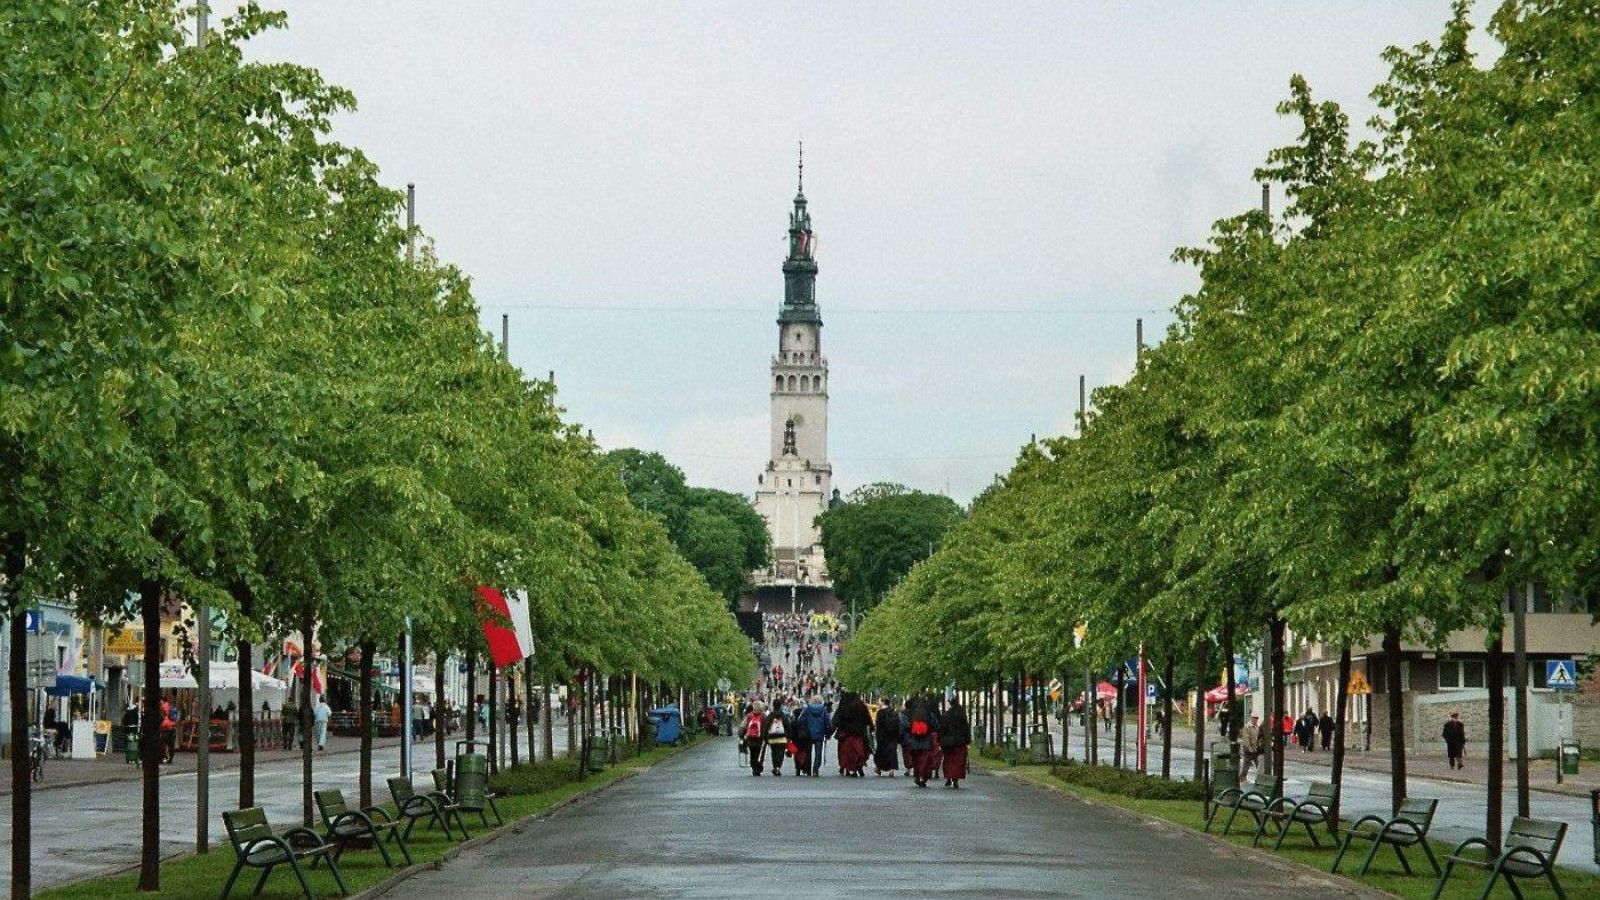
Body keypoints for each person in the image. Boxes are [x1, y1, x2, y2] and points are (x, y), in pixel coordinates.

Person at [904, 692, 940, 788]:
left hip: (914, 742)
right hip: (926, 741)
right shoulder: (928, 713)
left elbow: (907, 726)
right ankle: (923, 777)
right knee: (925, 760)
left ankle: (917, 776)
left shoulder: (913, 714)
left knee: (916, 760)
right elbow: (935, 725)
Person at [834, 693, 870, 777]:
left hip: (845, 733)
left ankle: (846, 767)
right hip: (860, 733)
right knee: (859, 750)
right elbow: (868, 719)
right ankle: (859, 767)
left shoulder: (843, 707)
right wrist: (870, 728)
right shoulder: (862, 707)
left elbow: (836, 720)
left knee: (845, 752)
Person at [940, 696, 972, 789]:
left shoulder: (947, 714)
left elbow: (943, 728)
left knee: (949, 760)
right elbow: (966, 728)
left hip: (949, 742)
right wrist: (968, 740)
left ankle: (948, 777)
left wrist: (941, 739)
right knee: (958, 762)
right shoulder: (962, 714)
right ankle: (955, 779)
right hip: (960, 742)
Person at [798, 695, 830, 777]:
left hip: (808, 733)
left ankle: (808, 769)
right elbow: (827, 722)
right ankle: (815, 770)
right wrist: (828, 733)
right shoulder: (823, 710)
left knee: (808, 752)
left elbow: (800, 720)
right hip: (820, 733)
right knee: (818, 753)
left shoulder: (807, 709)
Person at [873, 697, 902, 776]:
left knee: (881, 752)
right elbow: (897, 724)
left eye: (879, 702)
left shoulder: (880, 712)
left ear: (883, 702)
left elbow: (878, 724)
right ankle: (892, 770)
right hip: (892, 736)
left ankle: (878, 768)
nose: (879, 703)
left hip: (882, 736)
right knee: (892, 752)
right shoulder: (893, 712)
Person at [763, 701, 791, 776]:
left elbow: (766, 726)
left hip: (772, 738)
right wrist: (789, 737)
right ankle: (778, 767)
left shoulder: (770, 715)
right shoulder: (783, 715)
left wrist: (765, 737)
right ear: (780, 706)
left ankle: (775, 766)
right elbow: (788, 726)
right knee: (781, 753)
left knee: (774, 752)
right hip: (782, 738)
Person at [1238, 714, 1265, 781]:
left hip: (1256, 749)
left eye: (1257, 718)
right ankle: (1242, 777)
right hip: (1248, 750)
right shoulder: (1247, 727)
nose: (1256, 719)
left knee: (1259, 764)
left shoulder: (1257, 727)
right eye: (1254, 718)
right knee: (1246, 765)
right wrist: (1249, 748)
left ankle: (1261, 777)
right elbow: (1246, 739)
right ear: (1251, 718)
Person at [743, 703, 767, 775]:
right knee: (757, 753)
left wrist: (741, 735)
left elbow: (744, 726)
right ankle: (756, 768)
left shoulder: (749, 716)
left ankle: (754, 767)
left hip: (750, 738)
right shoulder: (763, 716)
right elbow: (766, 727)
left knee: (752, 753)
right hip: (759, 738)